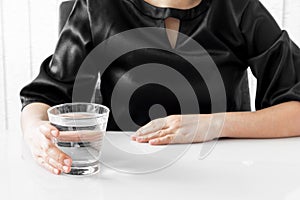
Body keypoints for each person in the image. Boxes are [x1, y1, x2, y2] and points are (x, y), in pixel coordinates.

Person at [20, 0, 300, 175]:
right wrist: (36, 132)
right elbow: (45, 95)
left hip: (221, 173)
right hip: (127, 174)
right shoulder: (96, 6)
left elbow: (295, 110)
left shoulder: (240, 9)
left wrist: (211, 125)